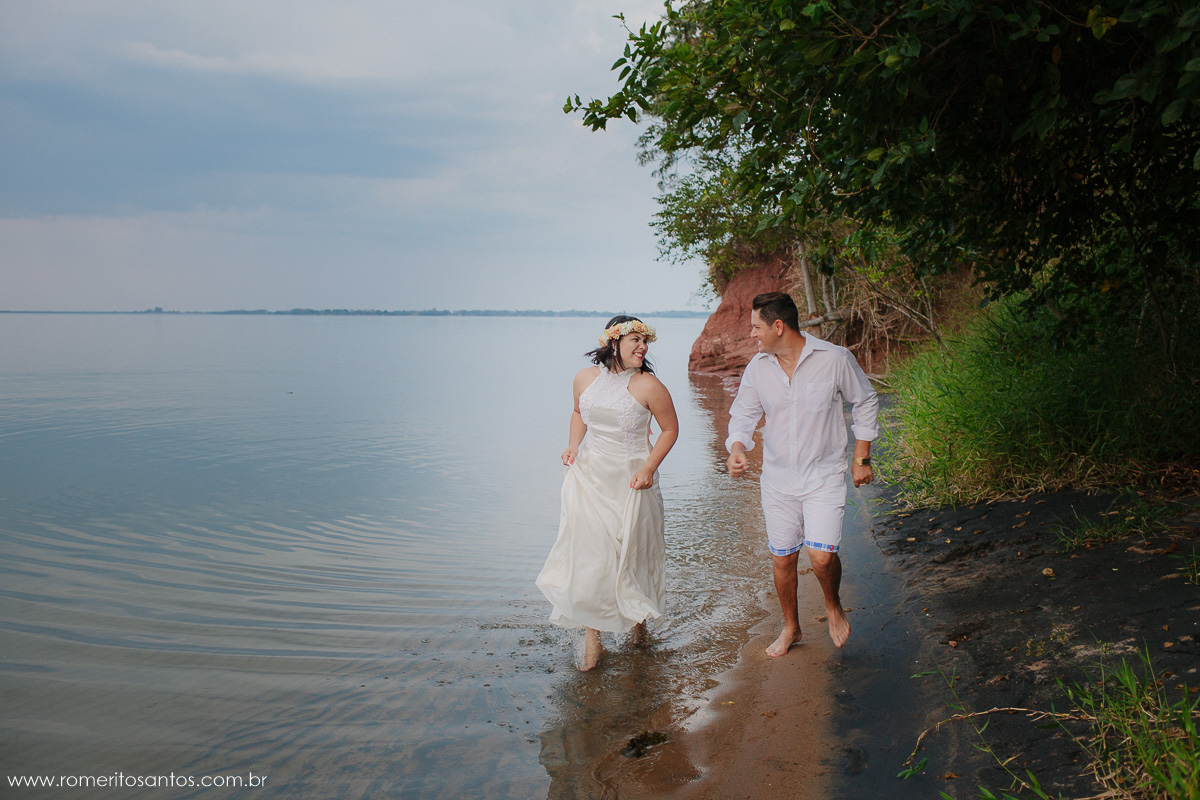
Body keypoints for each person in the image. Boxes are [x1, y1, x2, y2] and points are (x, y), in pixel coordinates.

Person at [726, 292, 879, 654]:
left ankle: (832, 604)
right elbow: (743, 415)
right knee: (783, 558)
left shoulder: (834, 359)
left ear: (778, 327)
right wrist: (736, 449)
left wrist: (862, 457)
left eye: (756, 327)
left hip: (823, 476)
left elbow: (866, 399)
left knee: (822, 556)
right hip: (777, 480)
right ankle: (791, 627)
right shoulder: (758, 367)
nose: (752, 334)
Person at [536, 315, 680, 671]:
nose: (643, 347)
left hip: (633, 480)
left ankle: (638, 624)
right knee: (593, 557)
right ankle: (593, 640)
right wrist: (572, 445)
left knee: (632, 553)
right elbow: (578, 413)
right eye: (635, 339)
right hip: (591, 477)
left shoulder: (649, 385)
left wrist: (648, 468)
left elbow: (670, 430)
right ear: (613, 342)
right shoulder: (584, 378)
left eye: (645, 341)